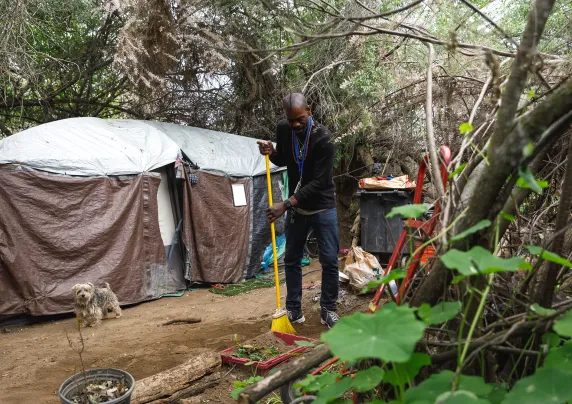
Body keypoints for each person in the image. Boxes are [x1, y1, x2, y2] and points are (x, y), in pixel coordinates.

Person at [257, 93, 340, 329]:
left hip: (322, 206)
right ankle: (293, 310)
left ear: (309, 111)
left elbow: (319, 183)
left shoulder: (323, 139)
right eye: (291, 120)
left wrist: (285, 204)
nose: (295, 125)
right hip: (297, 207)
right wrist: (271, 152)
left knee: (330, 260)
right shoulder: (284, 130)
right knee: (292, 260)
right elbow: (285, 158)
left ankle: (328, 310)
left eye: (300, 119)